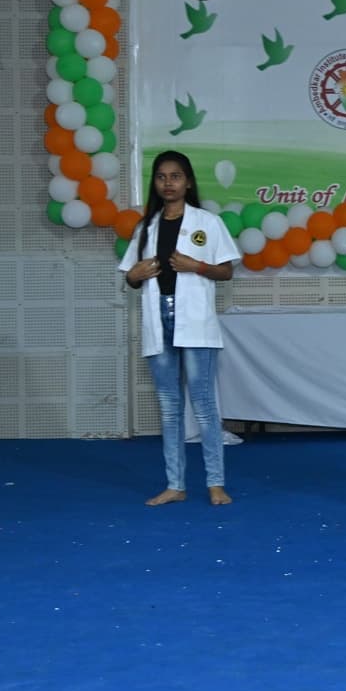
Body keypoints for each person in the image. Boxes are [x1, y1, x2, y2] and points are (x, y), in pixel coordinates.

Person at [120, 150, 240, 507]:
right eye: (161, 177)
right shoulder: (146, 228)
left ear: (188, 181)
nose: (168, 183)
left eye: (175, 176)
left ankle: (215, 482)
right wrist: (133, 276)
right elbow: (131, 276)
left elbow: (226, 271)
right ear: (154, 184)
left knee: (203, 405)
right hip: (159, 317)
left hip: (195, 321)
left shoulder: (207, 222)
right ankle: (175, 484)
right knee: (169, 407)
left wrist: (195, 266)